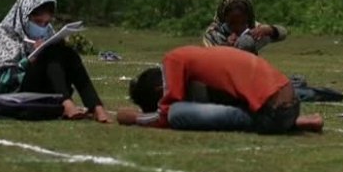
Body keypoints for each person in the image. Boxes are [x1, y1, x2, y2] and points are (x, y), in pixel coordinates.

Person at [117, 46, 323, 134]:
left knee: (176, 113)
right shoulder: (196, 59)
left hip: (274, 115)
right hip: (289, 107)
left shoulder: (173, 59)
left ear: (159, 88)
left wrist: (135, 118)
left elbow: (165, 116)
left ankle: (293, 124)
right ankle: (298, 123)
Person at [0, 0, 110, 122]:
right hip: (14, 93)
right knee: (48, 53)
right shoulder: (4, 35)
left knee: (68, 53)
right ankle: (66, 103)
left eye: (46, 23)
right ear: (25, 16)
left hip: (43, 88)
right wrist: (31, 59)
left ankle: (95, 106)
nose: (42, 27)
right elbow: (3, 83)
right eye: (38, 22)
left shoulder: (47, 31)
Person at [203, 0, 287, 54]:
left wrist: (269, 30)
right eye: (233, 23)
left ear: (247, 18)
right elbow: (212, 57)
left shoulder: (254, 30)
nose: (237, 27)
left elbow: (283, 33)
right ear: (225, 18)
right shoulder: (213, 33)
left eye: (241, 23)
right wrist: (227, 45)